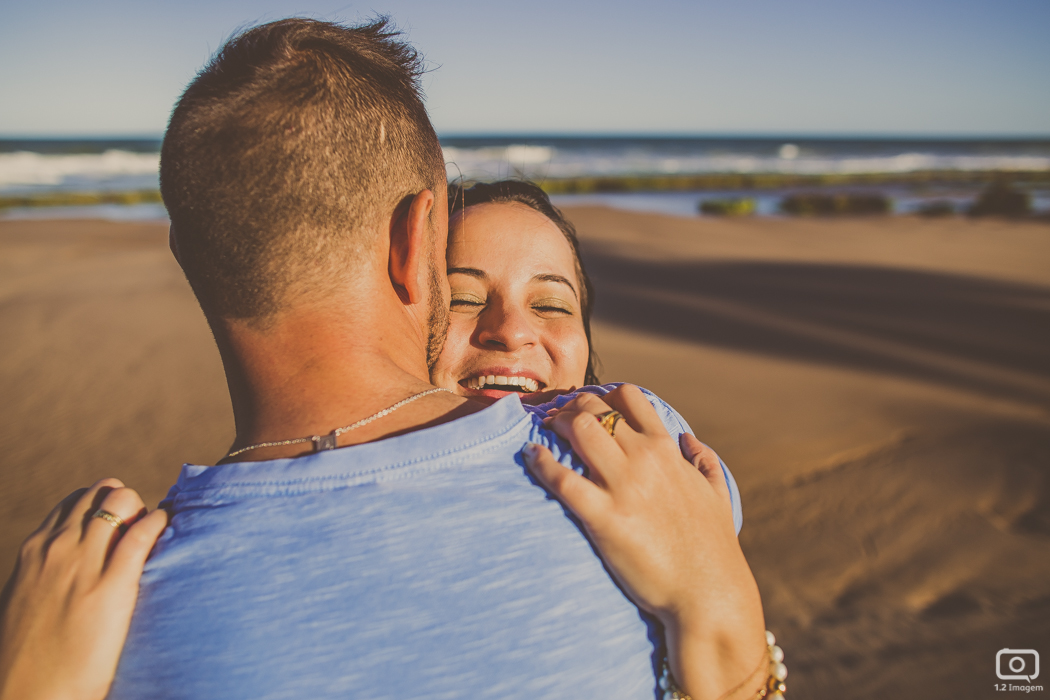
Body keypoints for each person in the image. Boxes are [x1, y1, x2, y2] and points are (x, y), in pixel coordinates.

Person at [0, 18, 771, 700]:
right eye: (464, 289)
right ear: (416, 243)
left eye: (551, 301)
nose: (510, 330)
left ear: (191, 257)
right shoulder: (636, 458)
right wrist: (722, 608)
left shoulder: (99, 609)